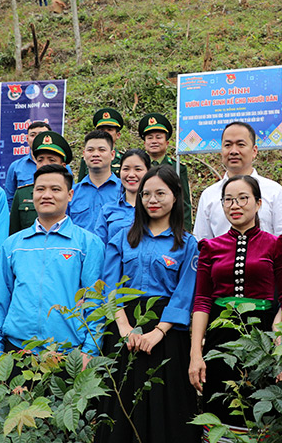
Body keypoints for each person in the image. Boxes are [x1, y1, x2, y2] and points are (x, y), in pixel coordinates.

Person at [100, 164, 200, 443]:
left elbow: (185, 292)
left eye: (160, 193)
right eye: (146, 194)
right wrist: (124, 327)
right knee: (121, 407)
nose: (152, 200)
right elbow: (109, 285)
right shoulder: (122, 238)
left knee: (166, 407)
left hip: (166, 334)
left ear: (176, 196)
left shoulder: (187, 244)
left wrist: (158, 332)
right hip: (124, 331)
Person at [189, 175, 282, 433]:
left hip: (263, 335)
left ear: (258, 203)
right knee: (221, 406)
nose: (234, 205)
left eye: (242, 198)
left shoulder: (276, 245)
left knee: (258, 409)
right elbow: (202, 301)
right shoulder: (210, 248)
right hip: (220, 336)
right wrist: (196, 353)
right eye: (228, 200)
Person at [0, 164, 104, 359]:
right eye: (40, 189)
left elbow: (95, 302)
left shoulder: (87, 244)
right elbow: (0, 299)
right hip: (17, 350)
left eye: (55, 189)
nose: (46, 195)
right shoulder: (13, 245)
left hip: (69, 352)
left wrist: (89, 351)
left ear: (70, 195)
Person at [193, 121, 282, 250]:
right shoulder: (209, 195)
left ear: (254, 151)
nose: (233, 151)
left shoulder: (274, 191)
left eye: (241, 145)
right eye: (228, 145)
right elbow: (201, 244)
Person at [9, 131, 73, 235]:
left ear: (63, 166)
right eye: (40, 160)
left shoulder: (70, 193)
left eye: (51, 160)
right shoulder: (22, 194)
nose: (45, 165)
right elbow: (14, 232)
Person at [138, 113, 193, 230]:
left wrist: (184, 230)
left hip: (171, 226)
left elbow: (185, 204)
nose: (154, 141)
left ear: (167, 143)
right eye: (150, 138)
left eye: (158, 137)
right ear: (144, 143)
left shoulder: (177, 168)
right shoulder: (138, 167)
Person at [68, 129, 121, 242]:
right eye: (90, 150)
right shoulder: (72, 193)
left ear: (112, 155)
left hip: (114, 257)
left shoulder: (124, 191)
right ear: (84, 154)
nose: (96, 154)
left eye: (102, 150)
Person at [102, 149, 151, 244]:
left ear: (148, 172)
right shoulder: (107, 210)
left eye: (138, 169)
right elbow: (99, 246)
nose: (131, 175)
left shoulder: (156, 208)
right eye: (126, 169)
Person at [3, 120, 52, 209]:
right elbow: (9, 200)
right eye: (33, 135)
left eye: (41, 135)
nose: (37, 138)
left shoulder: (62, 166)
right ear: (27, 139)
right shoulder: (16, 167)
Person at [78, 108, 126, 178]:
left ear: (118, 135)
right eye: (102, 130)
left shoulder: (123, 159)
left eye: (110, 130)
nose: (105, 132)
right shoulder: (88, 157)